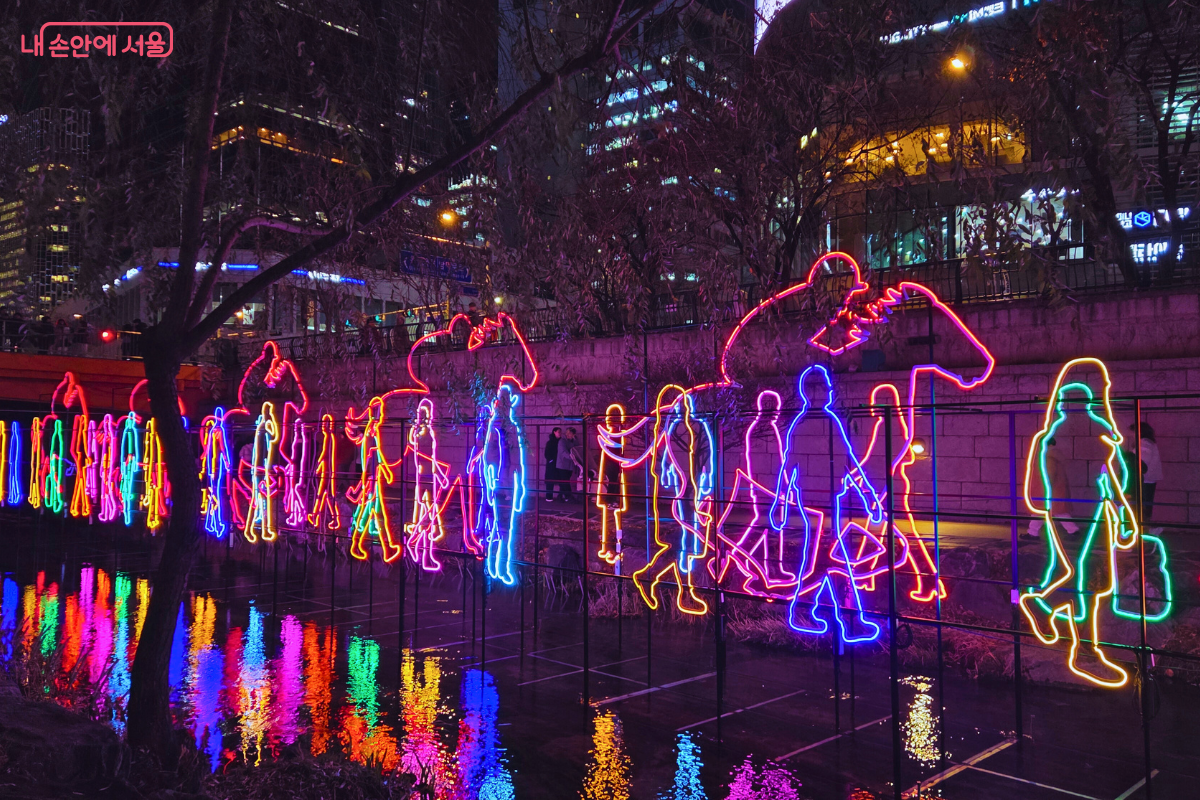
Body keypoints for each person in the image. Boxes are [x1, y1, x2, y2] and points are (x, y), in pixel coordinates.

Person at [1023, 437, 1079, 538]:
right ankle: (1033, 532)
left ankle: (1073, 531)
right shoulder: (1054, 456)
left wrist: (1044, 488)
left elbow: (1049, 475)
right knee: (1055, 512)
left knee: (1050, 512)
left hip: (1047, 491)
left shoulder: (1048, 457)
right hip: (1054, 490)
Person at [1130, 421, 1162, 535]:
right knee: (1143, 506)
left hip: (1144, 480)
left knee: (1141, 507)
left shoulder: (1144, 444)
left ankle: (1147, 530)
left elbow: (1141, 462)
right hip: (1147, 479)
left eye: (1133, 432)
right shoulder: (1147, 443)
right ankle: (1147, 530)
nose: (1131, 435)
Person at [555, 427, 577, 502]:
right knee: (565, 481)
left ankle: (560, 496)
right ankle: (568, 496)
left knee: (564, 481)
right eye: (567, 433)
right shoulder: (562, 441)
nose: (568, 435)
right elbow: (563, 452)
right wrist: (573, 458)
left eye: (570, 433)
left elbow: (576, 449)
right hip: (562, 464)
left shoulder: (573, 441)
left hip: (569, 465)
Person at [543, 426, 561, 501]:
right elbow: (547, 453)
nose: (560, 434)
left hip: (558, 463)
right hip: (552, 464)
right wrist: (551, 460)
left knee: (561, 479)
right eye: (558, 432)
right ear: (554, 432)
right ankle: (549, 496)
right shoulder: (550, 442)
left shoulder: (560, 442)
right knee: (550, 480)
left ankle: (560, 496)